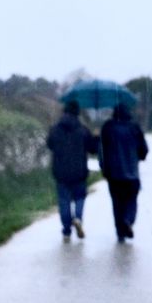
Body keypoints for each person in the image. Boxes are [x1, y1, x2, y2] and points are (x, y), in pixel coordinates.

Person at [97, 101, 150, 241]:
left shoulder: (107, 127)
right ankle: (128, 220)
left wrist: (103, 167)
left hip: (113, 174)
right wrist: (139, 156)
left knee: (117, 203)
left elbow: (101, 150)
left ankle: (120, 232)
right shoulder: (134, 127)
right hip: (132, 173)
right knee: (131, 200)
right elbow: (144, 149)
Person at [46, 100, 98, 240]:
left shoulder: (55, 129)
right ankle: (78, 219)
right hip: (79, 171)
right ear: (77, 113)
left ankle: (67, 229)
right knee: (80, 197)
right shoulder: (83, 130)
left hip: (61, 172)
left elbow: (49, 145)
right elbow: (93, 149)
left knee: (64, 200)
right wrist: (96, 137)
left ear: (64, 112)